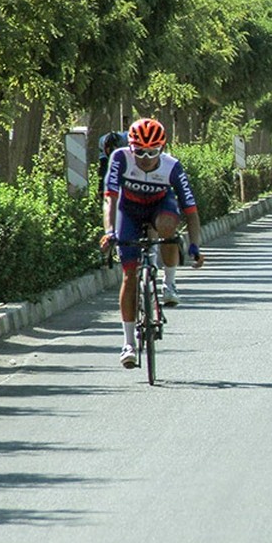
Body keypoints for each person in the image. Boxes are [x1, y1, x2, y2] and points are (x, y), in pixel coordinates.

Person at [99, 118, 204, 368]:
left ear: (163, 148)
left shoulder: (172, 167)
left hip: (160, 208)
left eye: (153, 152)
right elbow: (110, 198)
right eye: (140, 151)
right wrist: (110, 231)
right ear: (131, 147)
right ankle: (128, 343)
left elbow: (191, 211)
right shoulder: (120, 158)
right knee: (129, 276)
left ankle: (169, 284)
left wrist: (195, 247)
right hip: (129, 211)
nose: (145, 157)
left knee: (168, 228)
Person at [97, 130, 127, 198]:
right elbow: (103, 168)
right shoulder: (101, 142)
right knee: (105, 168)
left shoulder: (127, 140)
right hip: (105, 155)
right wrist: (101, 189)